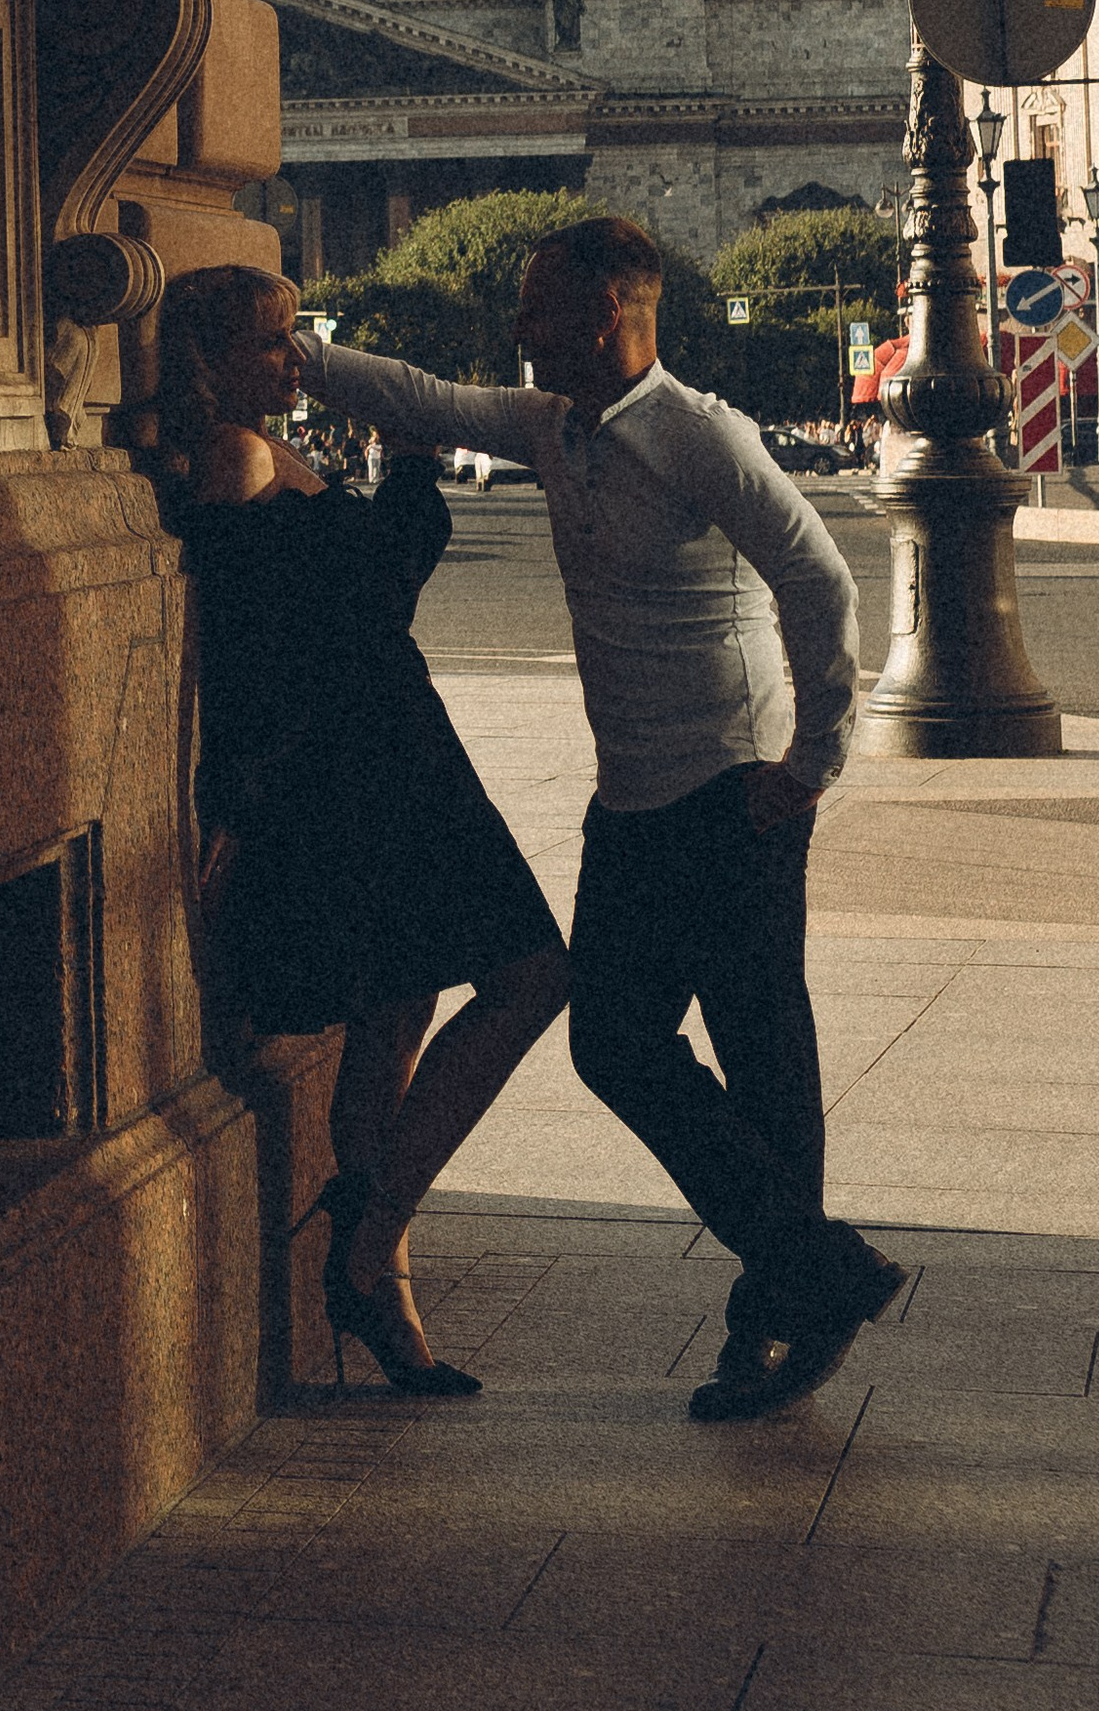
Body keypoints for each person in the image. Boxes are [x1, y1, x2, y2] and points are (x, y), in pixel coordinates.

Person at [295, 215, 903, 1425]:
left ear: (606, 312)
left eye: (535, 304)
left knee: (761, 1056)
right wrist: (294, 349)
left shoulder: (698, 433)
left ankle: (774, 1312)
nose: (517, 325)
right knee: (613, 1043)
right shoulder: (549, 425)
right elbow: (421, 398)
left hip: (732, 790)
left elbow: (818, 578)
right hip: (628, 800)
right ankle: (813, 1271)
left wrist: (812, 760)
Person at [150, 264, 569, 1397]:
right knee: (530, 975)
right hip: (359, 764)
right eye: (269, 341)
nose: (294, 358)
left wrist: (409, 467)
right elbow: (267, 644)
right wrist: (241, 801)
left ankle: (379, 1275)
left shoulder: (270, 452)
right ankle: (373, 1242)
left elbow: (358, 592)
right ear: (208, 360)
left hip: (386, 747)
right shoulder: (237, 458)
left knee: (398, 1010)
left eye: (295, 336)